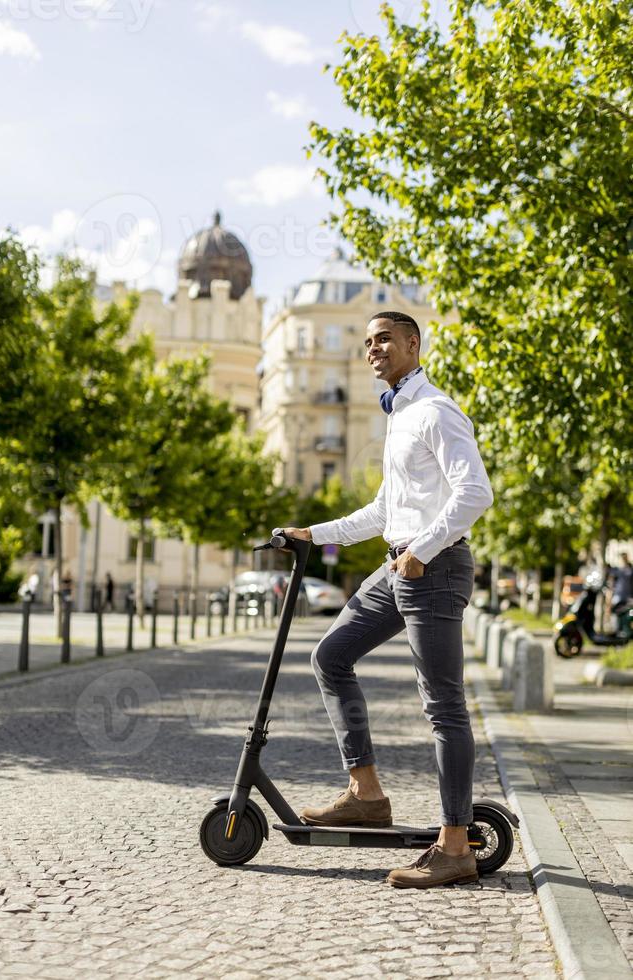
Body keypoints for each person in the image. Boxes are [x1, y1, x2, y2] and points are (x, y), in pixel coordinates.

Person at [282, 311, 493, 889]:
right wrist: (313, 533)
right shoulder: (401, 417)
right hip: (401, 565)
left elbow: (476, 491)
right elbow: (383, 513)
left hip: (434, 567)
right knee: (329, 656)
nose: (373, 348)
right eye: (368, 341)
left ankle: (454, 847)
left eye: (384, 339)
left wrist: (422, 548)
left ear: (412, 344)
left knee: (443, 707)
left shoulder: (435, 411)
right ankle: (366, 793)